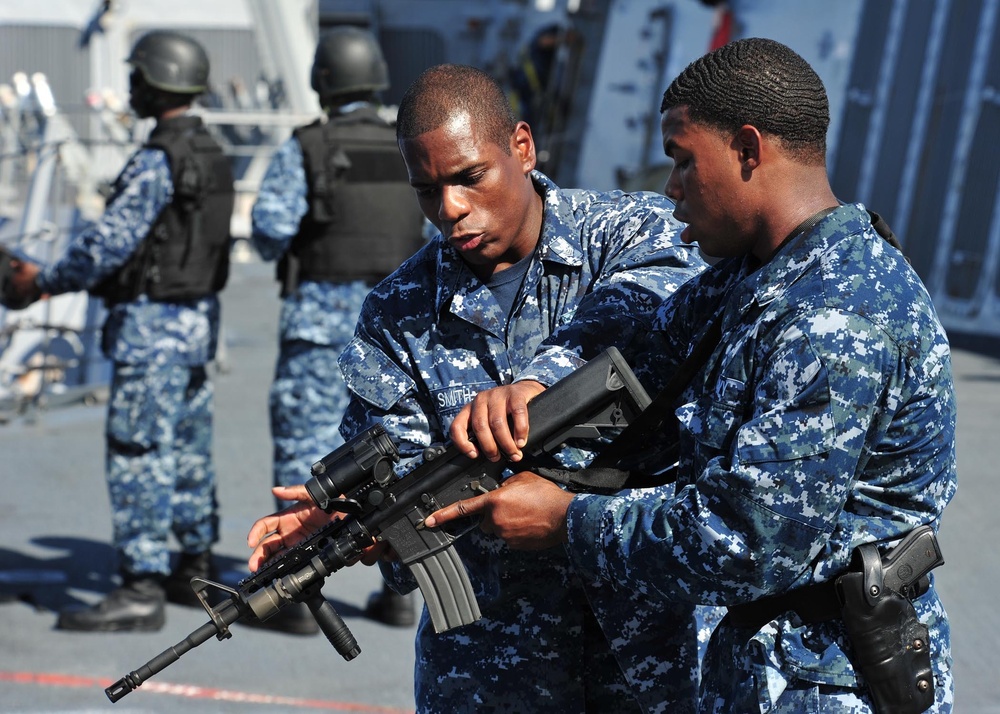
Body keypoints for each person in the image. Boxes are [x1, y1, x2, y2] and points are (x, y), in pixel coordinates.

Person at [426, 38, 957, 712]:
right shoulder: (756, 276)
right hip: (768, 668)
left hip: (830, 679)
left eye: (682, 160)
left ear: (747, 148)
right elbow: (639, 364)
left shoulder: (837, 312)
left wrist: (568, 522)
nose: (670, 187)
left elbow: (747, 539)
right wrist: (514, 412)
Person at [248, 64, 707, 712]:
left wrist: (537, 382)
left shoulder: (629, 230)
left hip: (653, 652)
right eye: (428, 190)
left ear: (521, 146)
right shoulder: (396, 313)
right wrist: (361, 524)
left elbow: (653, 311)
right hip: (492, 673)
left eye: (469, 177)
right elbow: (403, 488)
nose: (451, 209)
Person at [8, 30, 234, 631]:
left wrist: (44, 280)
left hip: (150, 329)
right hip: (196, 327)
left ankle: (140, 587)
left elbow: (109, 243)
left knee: (138, 452)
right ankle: (195, 568)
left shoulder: (159, 158)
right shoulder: (211, 150)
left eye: (137, 77)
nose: (129, 87)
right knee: (188, 451)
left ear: (157, 83)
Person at [250, 26, 425, 633]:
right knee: (392, 456)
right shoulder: (409, 147)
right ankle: (400, 588)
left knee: (306, 456)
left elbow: (271, 228)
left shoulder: (308, 147)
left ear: (322, 80)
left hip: (319, 329)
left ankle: (297, 595)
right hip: (397, 333)